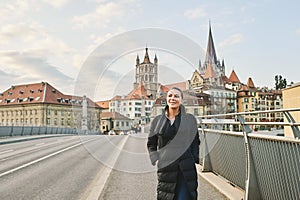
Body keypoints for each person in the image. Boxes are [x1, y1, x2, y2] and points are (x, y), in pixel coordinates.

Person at [147, 87, 200, 200]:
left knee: (184, 197)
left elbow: (195, 141)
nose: (173, 98)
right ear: (166, 99)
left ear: (181, 100)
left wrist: (193, 158)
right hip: (166, 166)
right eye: (170, 96)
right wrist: (155, 158)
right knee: (167, 195)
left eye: (176, 96)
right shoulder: (157, 121)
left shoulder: (190, 119)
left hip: (185, 167)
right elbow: (151, 143)